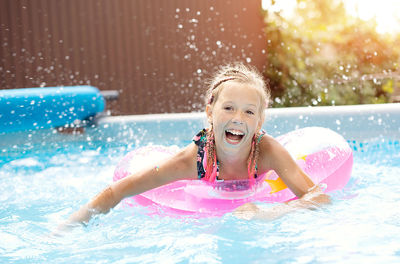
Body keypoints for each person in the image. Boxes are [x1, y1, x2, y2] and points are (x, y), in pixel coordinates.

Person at [59, 63, 330, 230]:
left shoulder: (267, 150)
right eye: (228, 108)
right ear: (210, 112)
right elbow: (120, 190)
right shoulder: (194, 160)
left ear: (259, 122)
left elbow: (319, 197)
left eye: (249, 112)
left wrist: (271, 213)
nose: (238, 118)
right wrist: (69, 225)